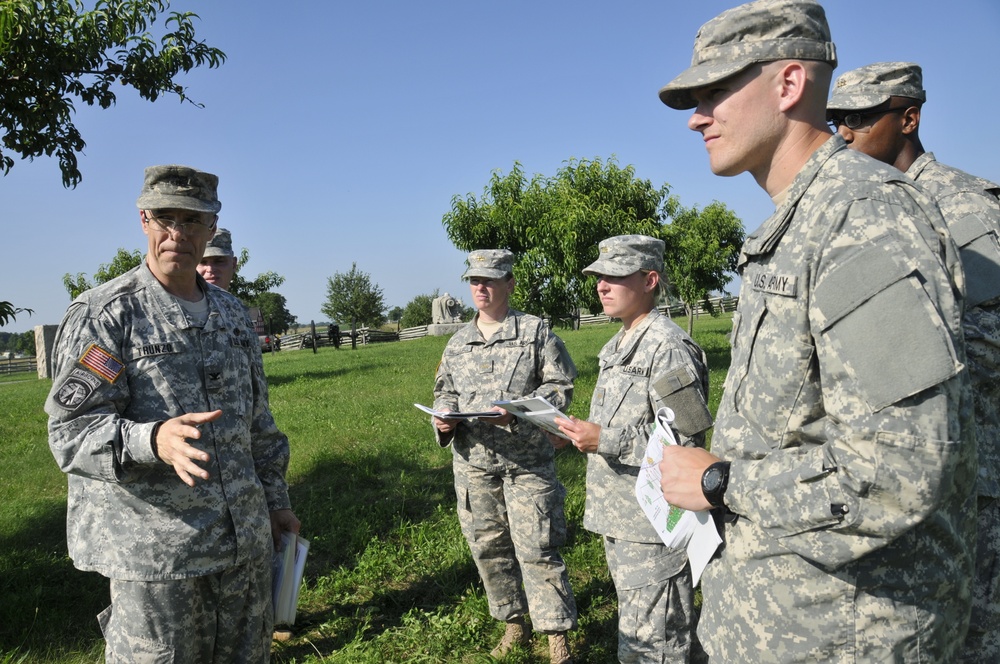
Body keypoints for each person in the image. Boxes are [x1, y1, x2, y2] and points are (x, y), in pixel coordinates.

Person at [656, 1, 976, 661]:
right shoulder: (802, 220)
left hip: (846, 634)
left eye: (715, 90)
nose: (695, 117)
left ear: (790, 83)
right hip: (784, 620)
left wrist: (720, 483)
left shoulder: (862, 219)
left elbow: (901, 469)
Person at [45, 165, 300, 663]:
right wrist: (151, 439)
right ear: (143, 219)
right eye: (165, 218)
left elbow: (259, 424)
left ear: (213, 227)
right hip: (159, 559)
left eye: (192, 220)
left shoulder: (231, 315)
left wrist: (276, 502)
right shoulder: (107, 314)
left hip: (243, 547)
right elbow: (70, 432)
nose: (177, 234)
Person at [827, 61, 1000, 661]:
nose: (844, 133)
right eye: (837, 120)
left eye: (859, 118)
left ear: (908, 118)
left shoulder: (958, 205)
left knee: (972, 634)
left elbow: (984, 340)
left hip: (971, 475)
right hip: (889, 475)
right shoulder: (855, 210)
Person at [554, 235, 712, 663]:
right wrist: (575, 434)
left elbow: (686, 444)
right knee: (652, 638)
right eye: (599, 276)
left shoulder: (668, 348)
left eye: (616, 276)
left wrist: (603, 438)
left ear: (649, 280)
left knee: (653, 648)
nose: (602, 285)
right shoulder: (618, 346)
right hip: (622, 521)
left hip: (653, 529)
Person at [432, 249, 577, 664]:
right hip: (475, 464)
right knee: (489, 547)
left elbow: (560, 387)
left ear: (510, 283)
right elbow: (444, 391)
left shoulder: (535, 332)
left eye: (490, 280)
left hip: (527, 463)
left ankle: (556, 638)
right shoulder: (458, 341)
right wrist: (442, 419)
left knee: (538, 548)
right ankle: (514, 623)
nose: (481, 287)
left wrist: (515, 412)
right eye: (474, 280)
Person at [197, 227, 238, 291]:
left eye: (219, 261)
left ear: (233, 264)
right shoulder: (177, 300)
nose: (210, 269)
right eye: (203, 262)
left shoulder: (234, 301)